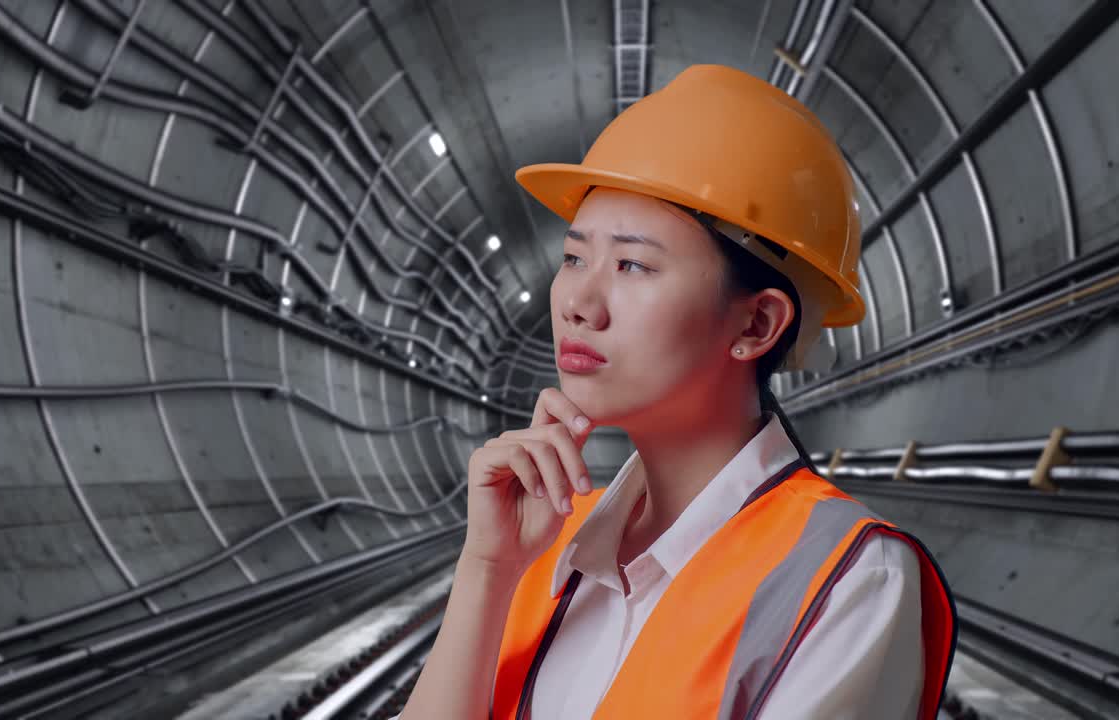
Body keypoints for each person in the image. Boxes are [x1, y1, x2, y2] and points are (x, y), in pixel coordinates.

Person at [393, 64, 955, 719]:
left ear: (756, 325)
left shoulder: (847, 579)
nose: (578, 302)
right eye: (574, 258)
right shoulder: (550, 537)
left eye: (633, 264)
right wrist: (488, 568)